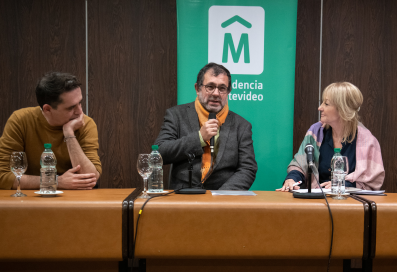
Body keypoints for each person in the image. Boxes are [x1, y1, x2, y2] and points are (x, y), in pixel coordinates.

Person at [154, 62, 257, 190]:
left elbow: (248, 168)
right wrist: (199, 138)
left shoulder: (242, 125)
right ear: (197, 88)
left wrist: (221, 197)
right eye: (210, 86)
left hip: (223, 202)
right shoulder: (176, 115)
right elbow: (159, 154)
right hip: (183, 199)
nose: (216, 93)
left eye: (222, 88)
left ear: (228, 91)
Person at [0, 72, 101, 190]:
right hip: (34, 200)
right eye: (71, 107)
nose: (80, 112)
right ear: (47, 109)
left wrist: (69, 134)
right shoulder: (20, 120)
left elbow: (90, 179)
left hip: (76, 200)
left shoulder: (85, 124)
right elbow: (0, 176)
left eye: (80, 103)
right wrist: (55, 181)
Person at [277, 82, 384, 192]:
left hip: (351, 204)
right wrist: (291, 179)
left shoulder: (367, 140)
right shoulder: (315, 132)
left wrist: (343, 184)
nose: (320, 108)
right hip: (317, 203)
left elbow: (372, 181)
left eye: (326, 104)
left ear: (343, 109)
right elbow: (300, 164)